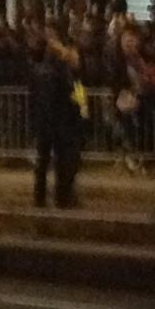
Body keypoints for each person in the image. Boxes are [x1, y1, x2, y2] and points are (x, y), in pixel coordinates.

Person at [30, 45, 86, 210]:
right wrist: (81, 114)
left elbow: (34, 98)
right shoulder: (66, 75)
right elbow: (76, 99)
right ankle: (63, 197)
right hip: (62, 124)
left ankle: (39, 196)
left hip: (44, 123)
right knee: (64, 163)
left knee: (43, 161)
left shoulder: (38, 72)